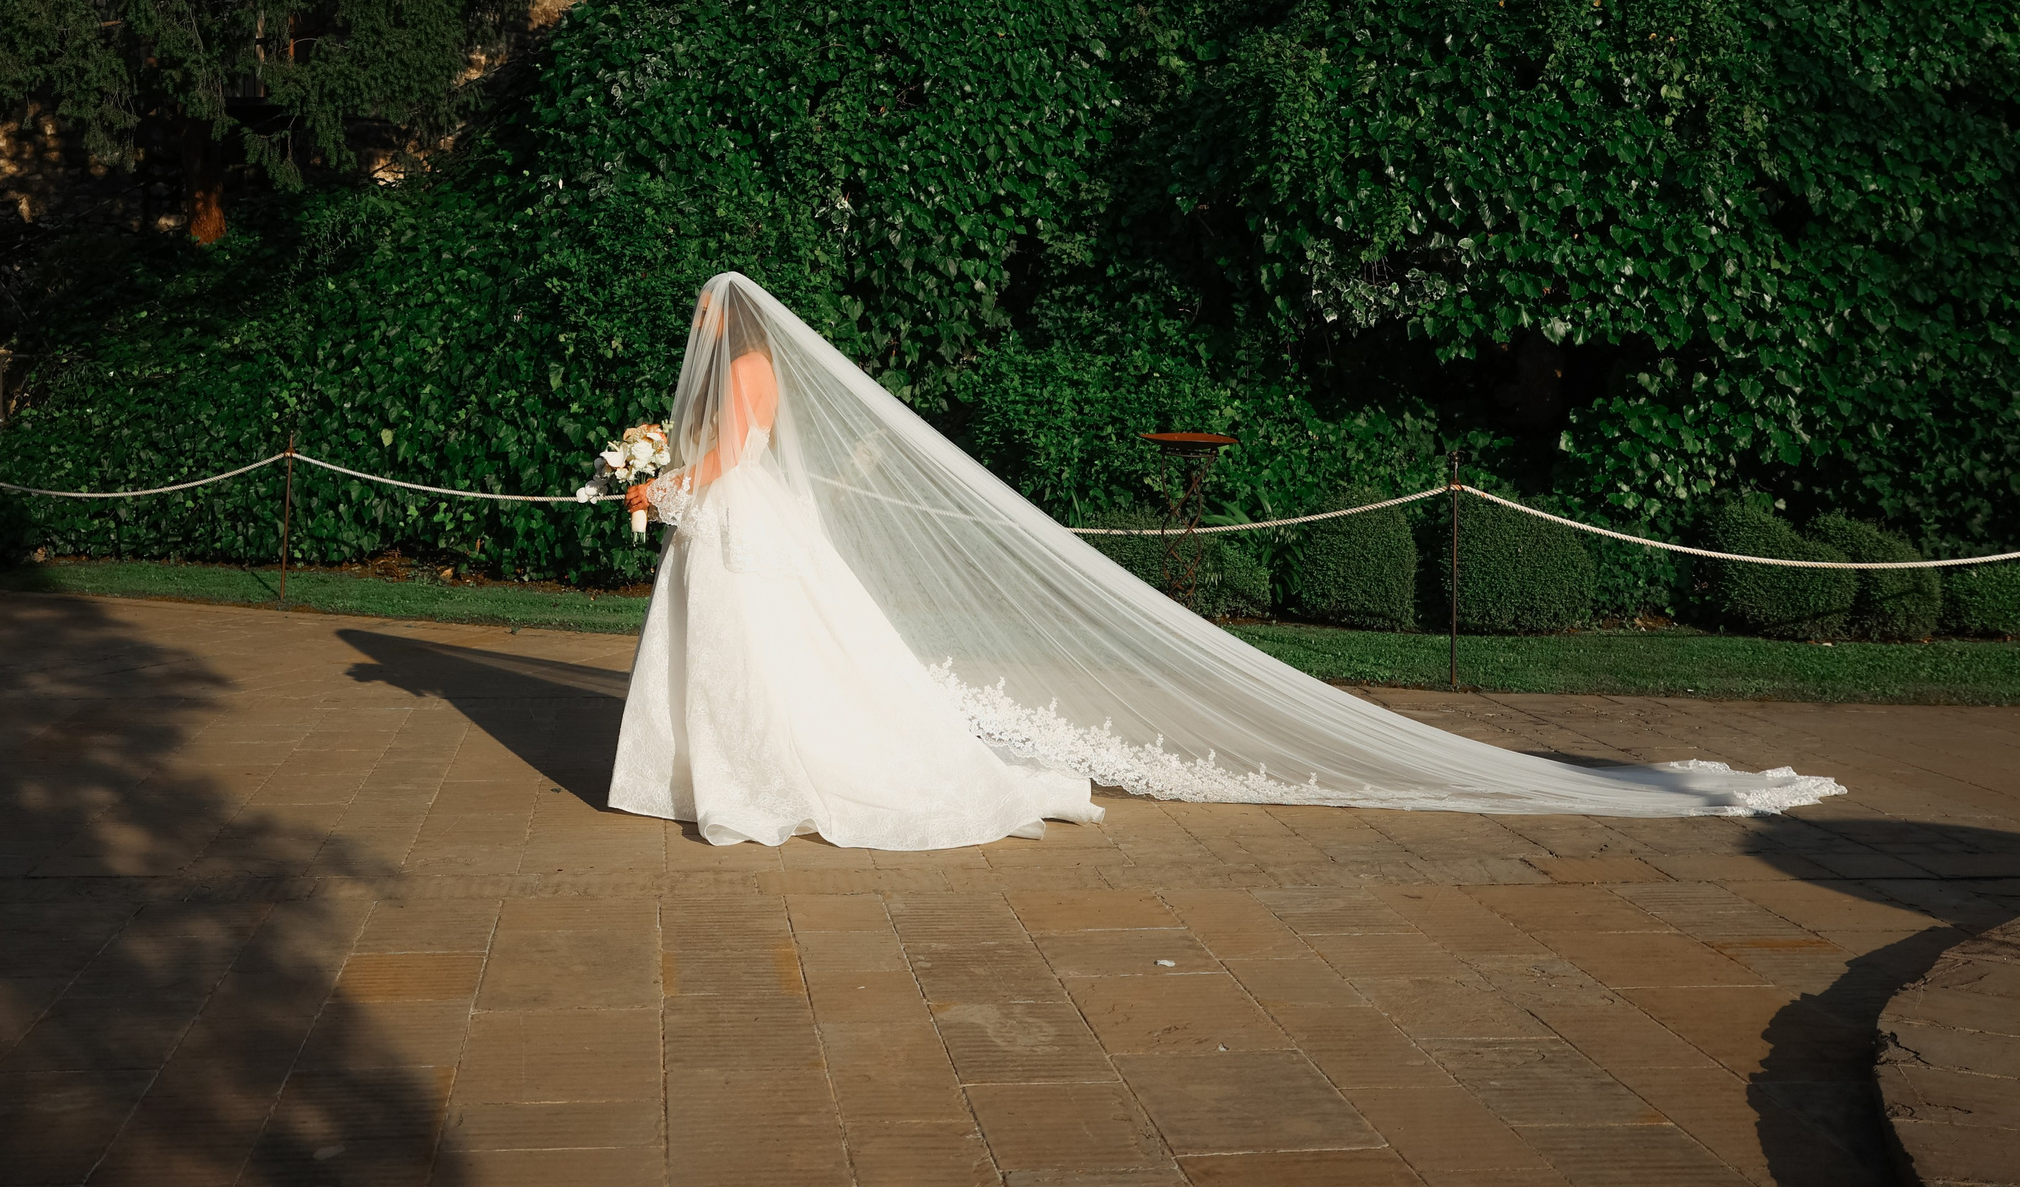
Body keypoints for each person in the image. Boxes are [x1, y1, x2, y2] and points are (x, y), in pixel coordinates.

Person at [609, 273, 1841, 850]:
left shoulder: (757, 374)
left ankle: (762, 780)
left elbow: (737, 458)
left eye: (711, 323)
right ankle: (713, 774)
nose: (703, 335)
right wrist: (665, 475)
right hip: (733, 540)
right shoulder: (731, 374)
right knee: (750, 664)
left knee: (789, 663)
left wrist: (665, 482)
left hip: (743, 530)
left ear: (741, 325)